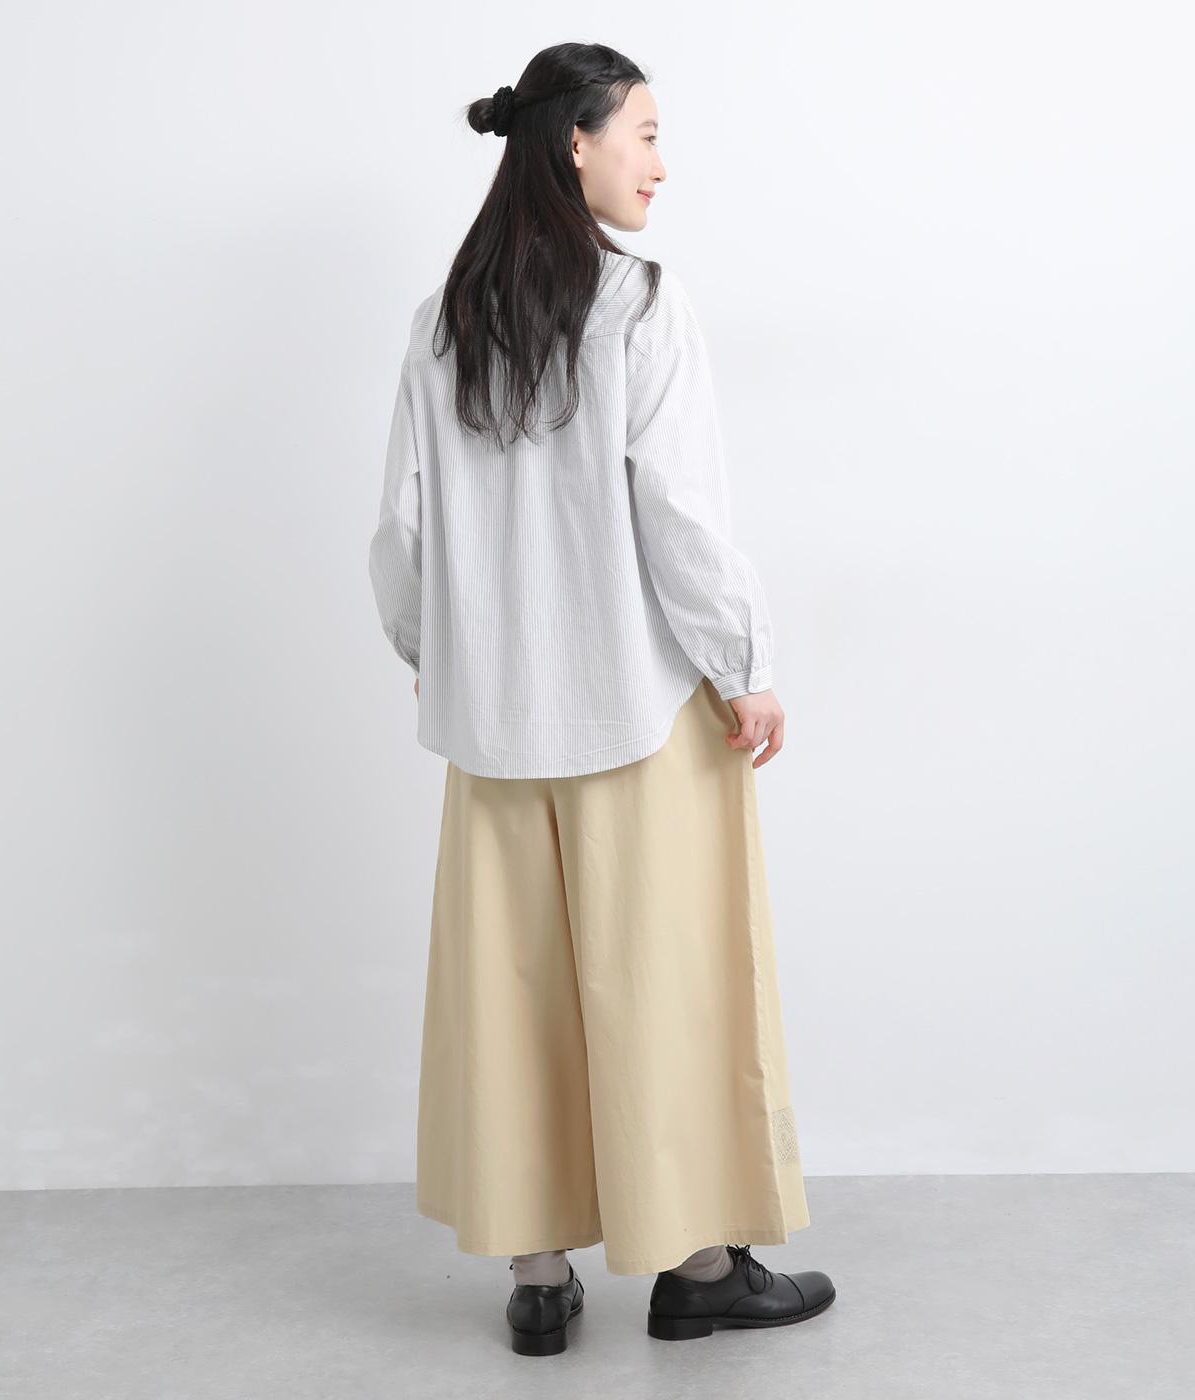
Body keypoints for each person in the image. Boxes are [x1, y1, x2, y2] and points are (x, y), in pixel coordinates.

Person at [368, 41, 835, 1356]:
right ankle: (696, 1266)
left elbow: (401, 533)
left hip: (493, 725)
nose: (660, 163)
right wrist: (743, 662)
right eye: (646, 133)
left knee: (511, 989)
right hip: (634, 705)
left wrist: (441, 651)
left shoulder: (445, 318)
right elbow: (675, 509)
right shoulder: (637, 301)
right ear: (574, 141)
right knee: (661, 974)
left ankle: (537, 1279)